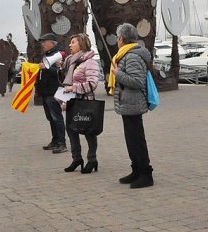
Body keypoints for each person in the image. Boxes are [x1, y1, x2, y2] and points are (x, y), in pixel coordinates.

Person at [109, 23, 155, 188]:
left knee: (137, 140)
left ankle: (145, 173)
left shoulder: (132, 56)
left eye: (118, 38)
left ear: (122, 39)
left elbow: (136, 81)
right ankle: (136, 169)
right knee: (131, 139)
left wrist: (118, 74)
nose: (117, 41)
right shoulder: (126, 55)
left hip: (133, 103)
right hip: (128, 103)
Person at [61, 33, 101, 174]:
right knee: (71, 131)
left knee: (89, 132)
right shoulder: (71, 61)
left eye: (73, 42)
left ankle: (92, 160)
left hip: (85, 103)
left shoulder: (90, 62)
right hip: (72, 102)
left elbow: (92, 84)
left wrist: (73, 88)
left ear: (81, 44)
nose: (70, 45)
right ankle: (76, 159)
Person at [35, 33, 67, 153]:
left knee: (56, 117)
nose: (42, 44)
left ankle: (61, 143)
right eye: (42, 42)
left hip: (54, 91)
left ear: (52, 42)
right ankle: (55, 140)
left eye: (44, 41)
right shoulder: (47, 54)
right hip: (45, 91)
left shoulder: (58, 55)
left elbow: (61, 72)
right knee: (50, 117)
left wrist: (46, 67)